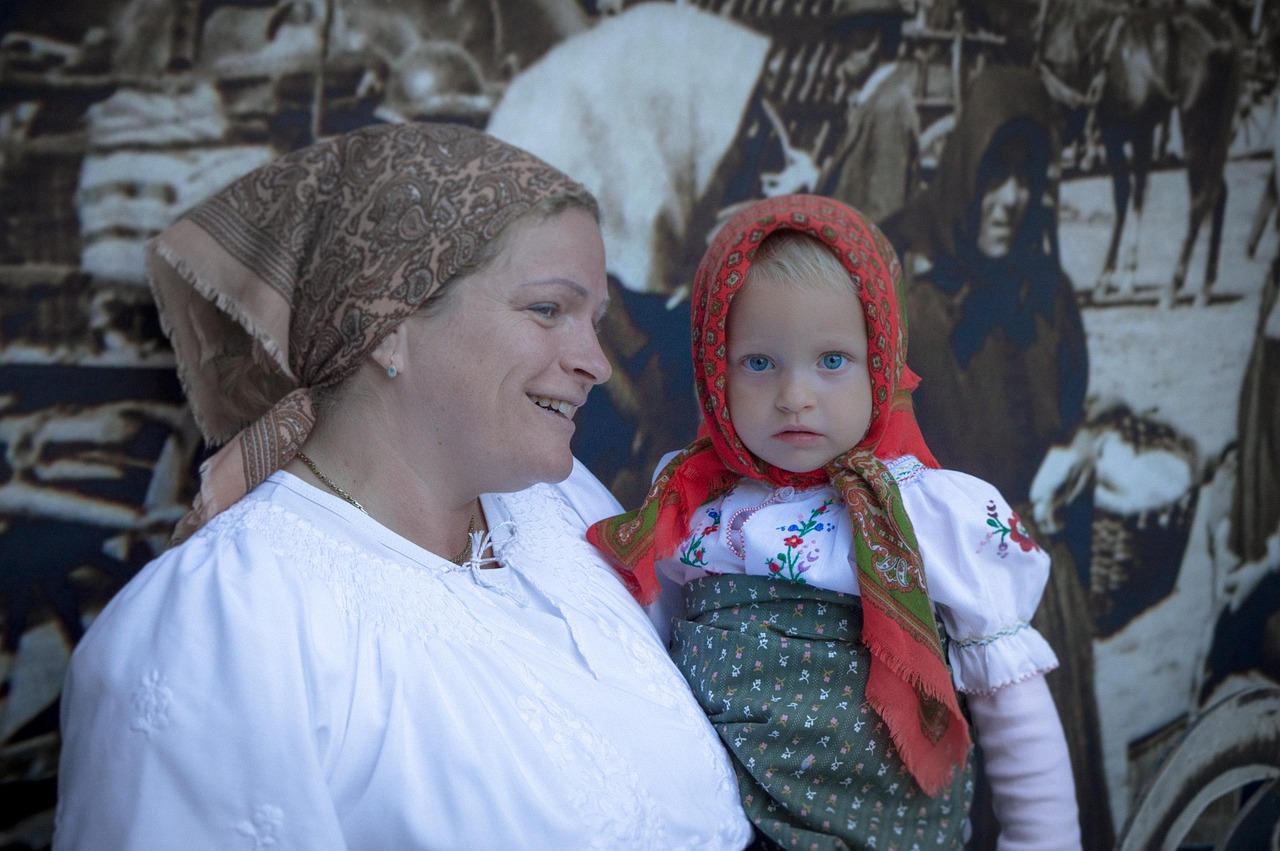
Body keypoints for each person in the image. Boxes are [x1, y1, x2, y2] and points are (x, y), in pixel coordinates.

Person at [53, 122, 754, 850]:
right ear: (386, 326)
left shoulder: (563, 505)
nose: (596, 363)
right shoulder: (221, 629)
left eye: (595, 321)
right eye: (548, 309)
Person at [588, 194, 1080, 850]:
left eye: (831, 361)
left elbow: (1012, 705)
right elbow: (652, 651)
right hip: (723, 825)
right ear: (714, 367)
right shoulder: (690, 499)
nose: (796, 395)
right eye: (759, 362)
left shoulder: (930, 514)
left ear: (880, 362)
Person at [879, 65, 1111, 849]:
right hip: (943, 601)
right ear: (962, 173)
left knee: (1050, 801)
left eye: (1029, 179)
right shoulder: (909, 304)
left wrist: (1074, 453)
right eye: (995, 173)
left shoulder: (1046, 294)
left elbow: (1072, 418)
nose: (1012, 198)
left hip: (1041, 591)